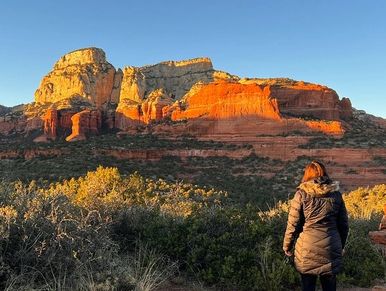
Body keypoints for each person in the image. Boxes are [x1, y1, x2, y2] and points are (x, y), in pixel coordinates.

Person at [283, 160, 349, 291]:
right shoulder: (336, 194)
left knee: (308, 286)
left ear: (307, 175)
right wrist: (341, 245)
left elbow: (293, 224)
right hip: (331, 247)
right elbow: (344, 225)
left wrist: (287, 246)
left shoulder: (301, 194)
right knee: (330, 287)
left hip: (307, 249)